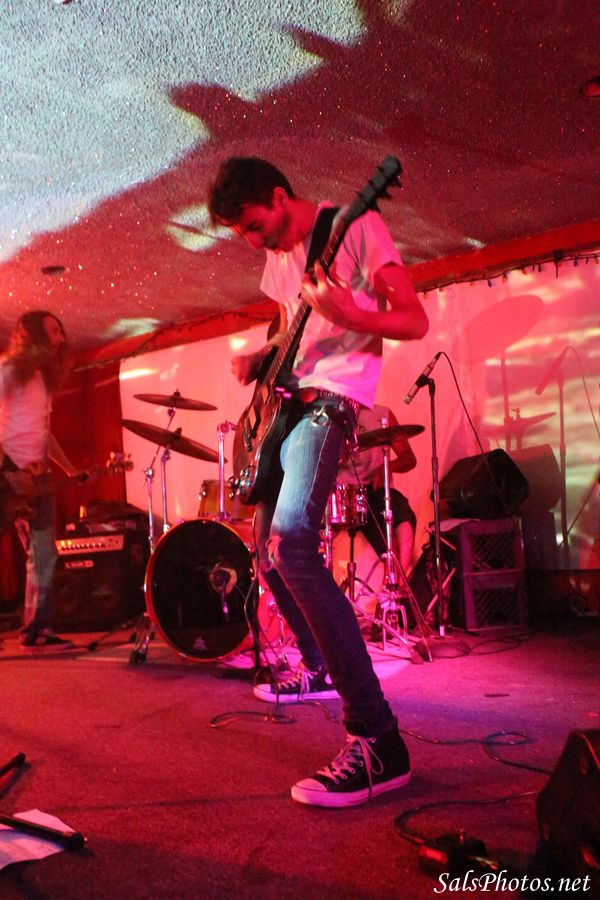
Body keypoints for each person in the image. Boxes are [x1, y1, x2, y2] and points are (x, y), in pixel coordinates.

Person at [208, 157, 428, 808]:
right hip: (286, 407)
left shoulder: (354, 229)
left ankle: (378, 740)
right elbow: (290, 325)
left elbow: (413, 319)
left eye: (255, 225)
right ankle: (315, 667)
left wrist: (351, 312)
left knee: (293, 544)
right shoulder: (278, 261)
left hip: (331, 403)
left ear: (280, 196)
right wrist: (262, 355)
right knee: (264, 548)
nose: (254, 241)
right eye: (242, 234)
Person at [0, 311, 80, 650]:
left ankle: (37, 631)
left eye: (60, 331)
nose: (60, 338)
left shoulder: (43, 379)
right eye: (53, 331)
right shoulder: (7, 372)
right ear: (32, 335)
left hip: (38, 477)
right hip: (7, 474)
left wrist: (69, 469)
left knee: (44, 553)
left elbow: (44, 434)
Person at [336, 403, 417, 581]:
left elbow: (409, 459)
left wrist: (386, 468)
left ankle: (397, 585)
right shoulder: (333, 413)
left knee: (404, 520)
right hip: (343, 495)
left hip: (375, 490)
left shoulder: (383, 414)